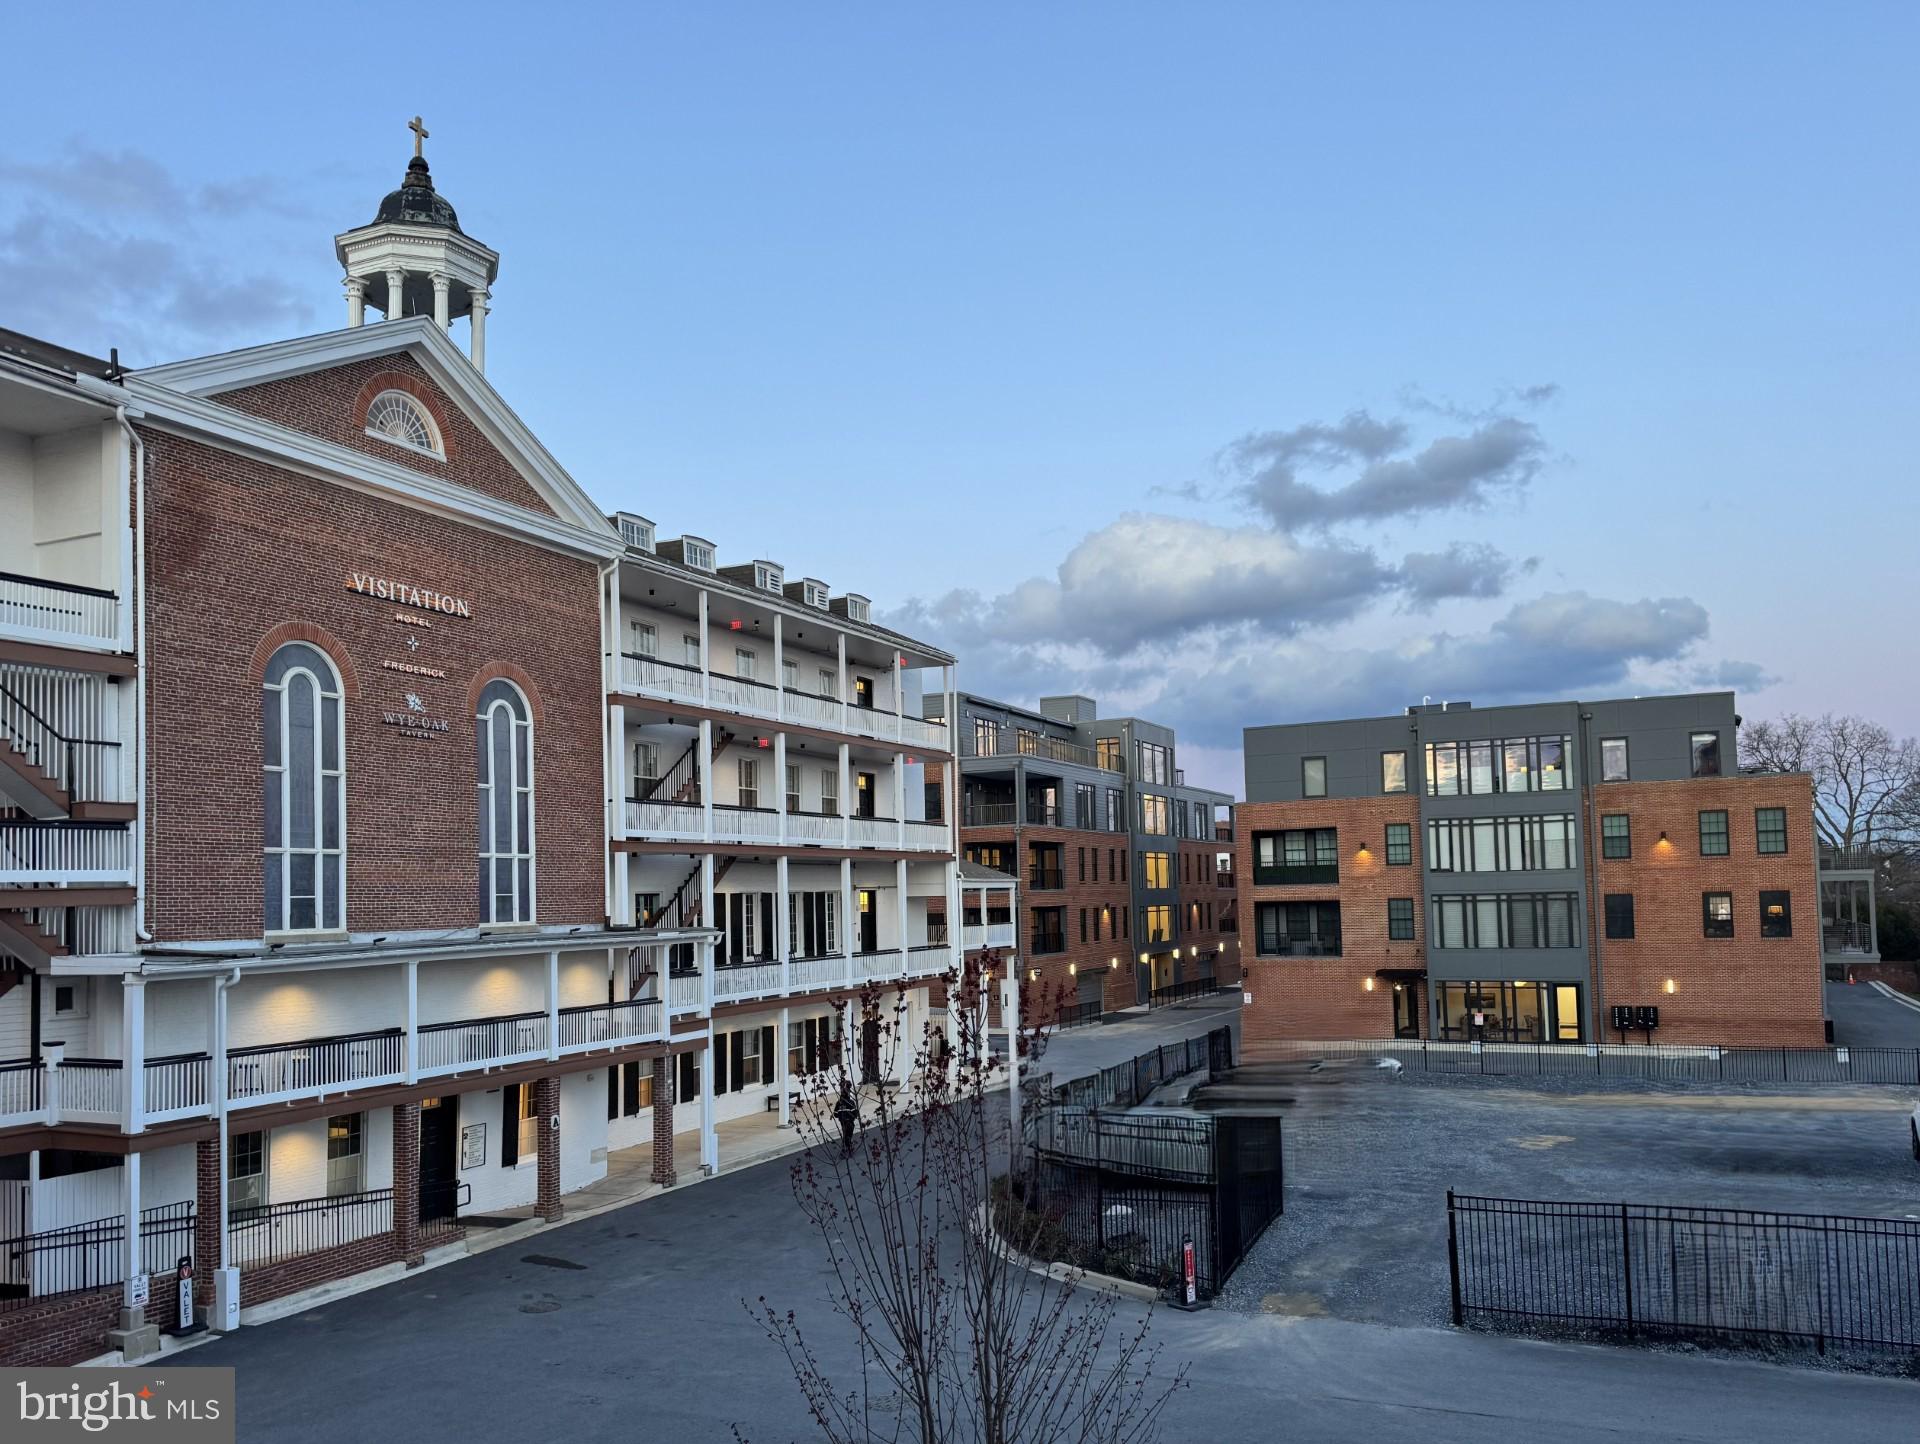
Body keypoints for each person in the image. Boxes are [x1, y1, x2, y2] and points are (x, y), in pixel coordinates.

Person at [833, 1076, 860, 1155]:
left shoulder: (839, 1103)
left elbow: (835, 1114)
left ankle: (846, 1148)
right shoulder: (851, 1102)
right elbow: (855, 1113)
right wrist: (854, 1115)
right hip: (850, 1122)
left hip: (843, 1122)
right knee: (848, 1135)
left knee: (845, 1135)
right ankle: (847, 1148)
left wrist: (841, 1115)